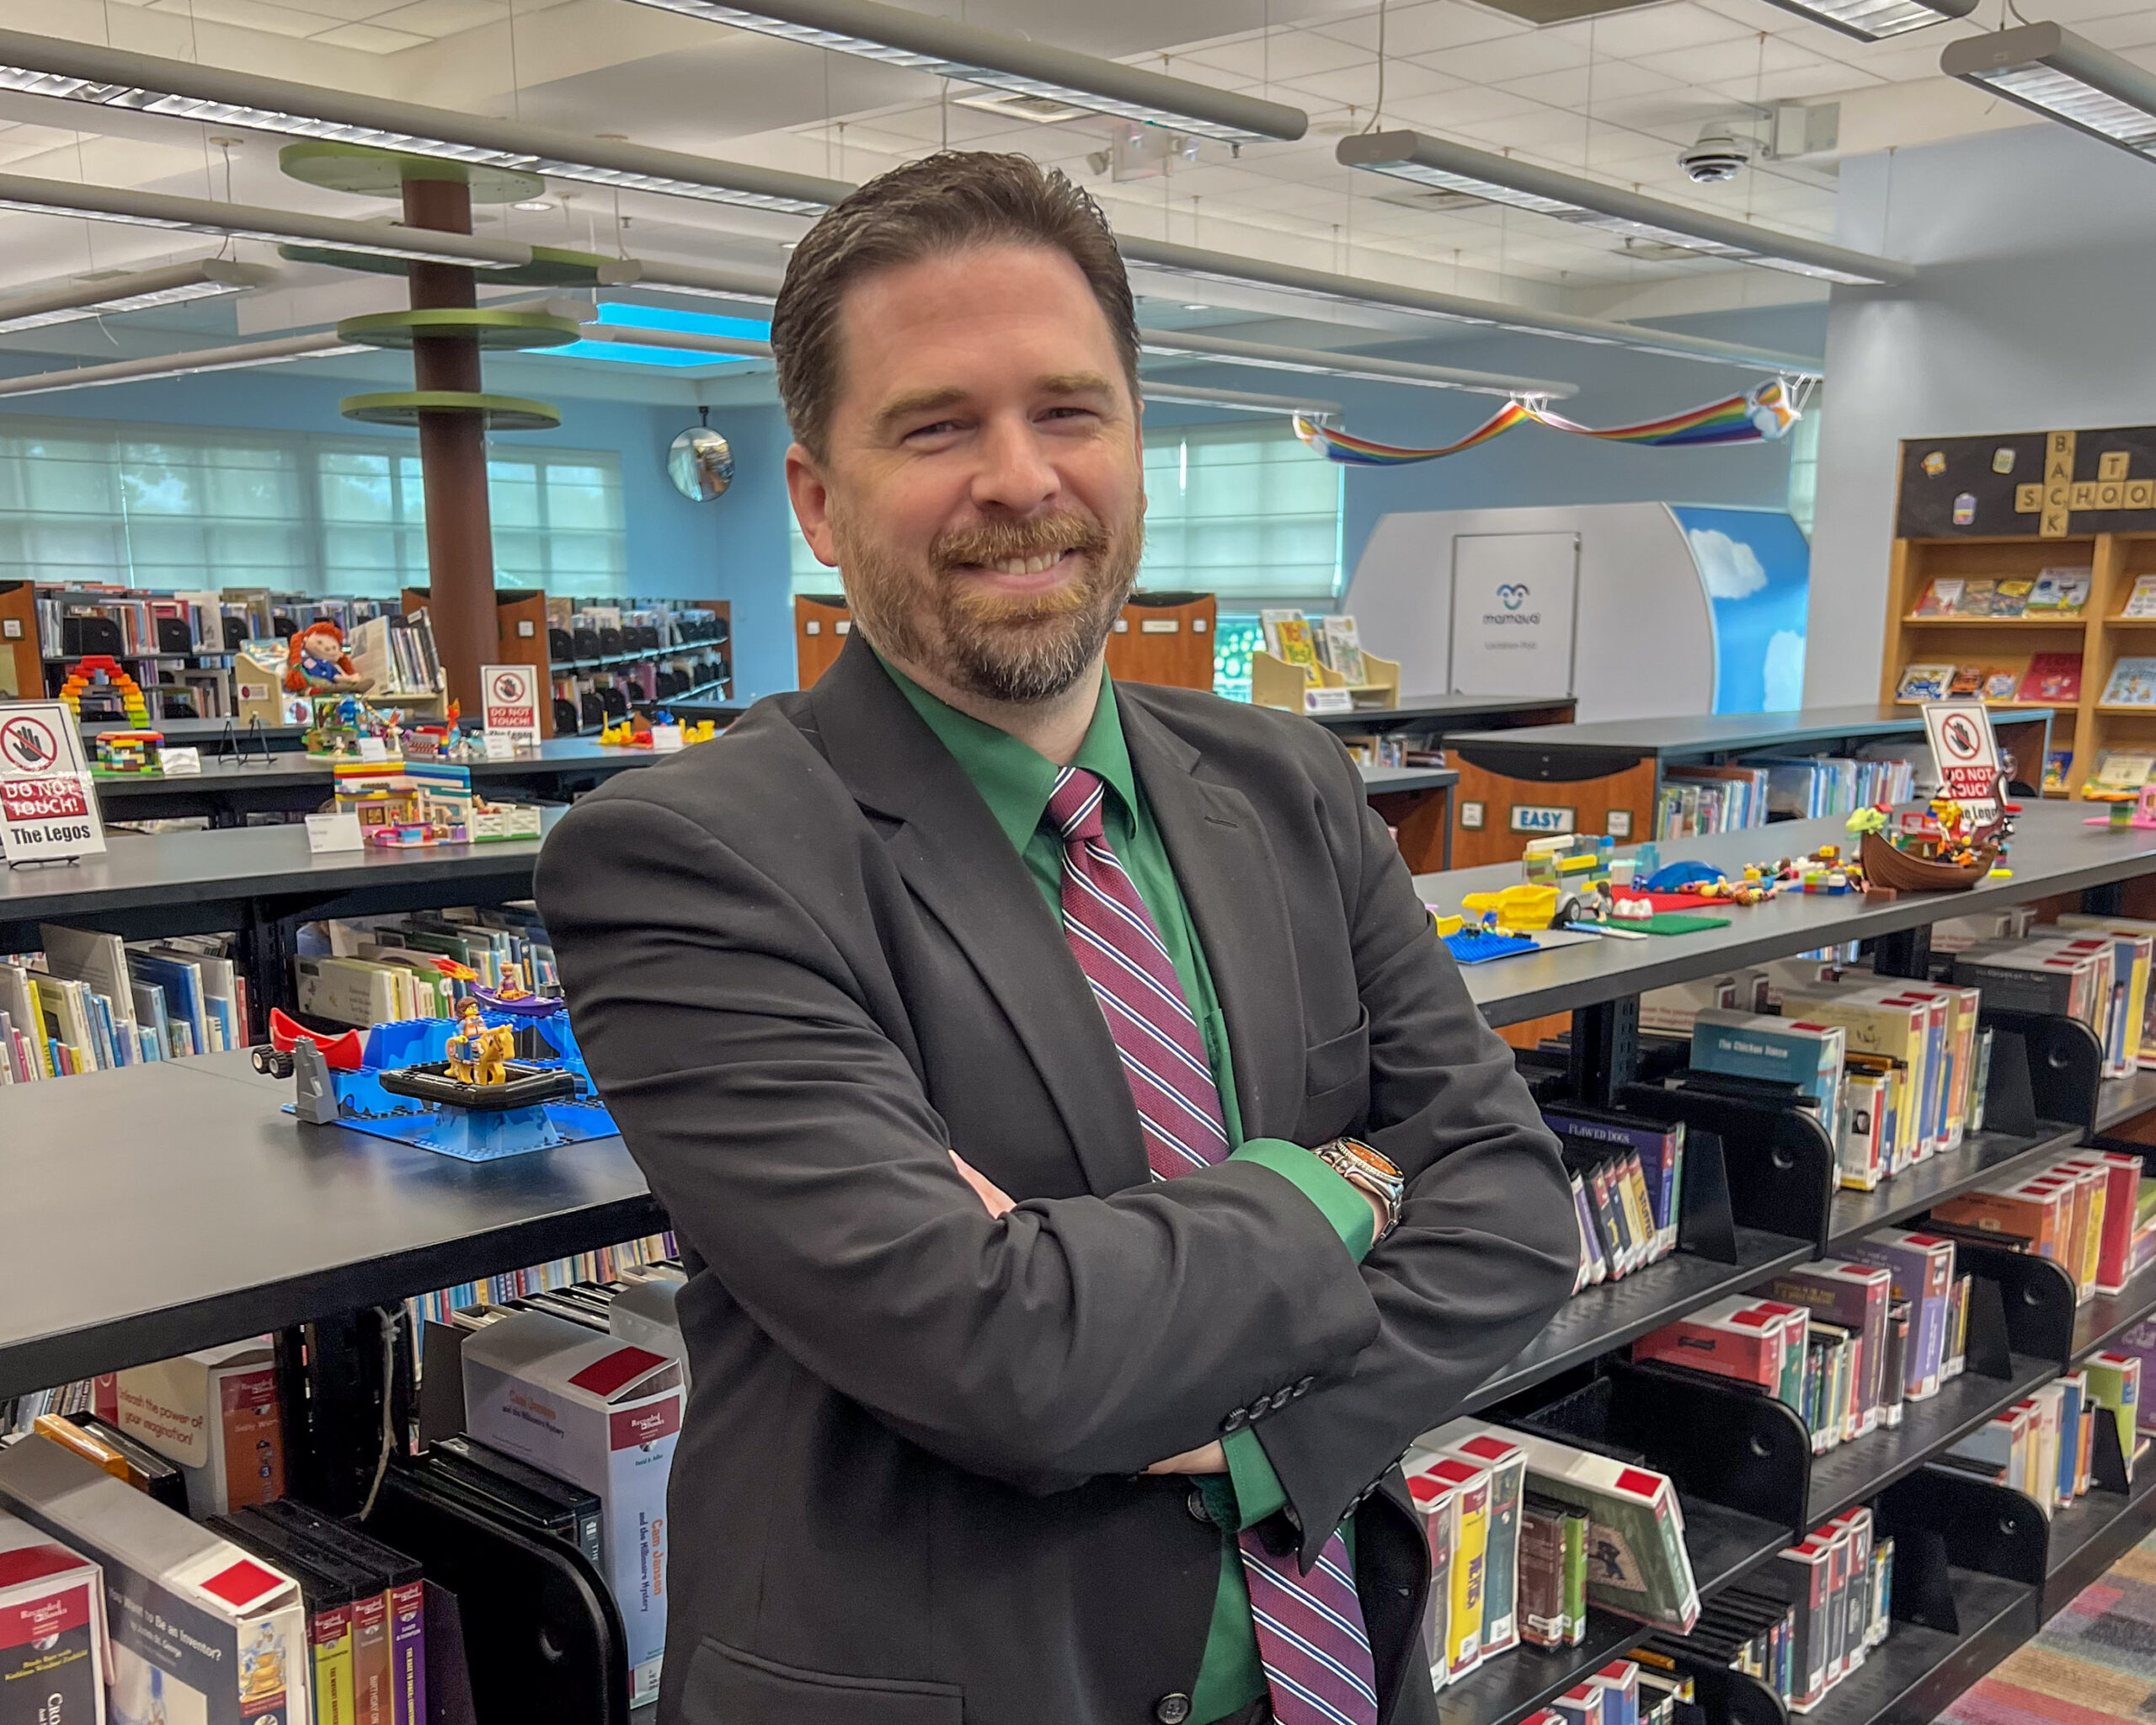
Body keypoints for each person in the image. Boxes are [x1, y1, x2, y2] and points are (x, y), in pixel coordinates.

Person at [534, 150, 1578, 1725]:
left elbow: (1507, 1208)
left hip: (1333, 1664)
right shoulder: (688, 858)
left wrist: (1259, 1435)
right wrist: (1344, 1179)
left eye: (1068, 411)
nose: (1019, 478)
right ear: (817, 498)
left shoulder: (1286, 782)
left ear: (1137, 447)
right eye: (936, 424)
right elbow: (999, 1354)